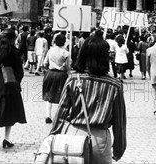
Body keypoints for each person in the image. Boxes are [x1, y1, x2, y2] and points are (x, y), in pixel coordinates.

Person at [50, 31, 127, 163]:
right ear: (105, 57)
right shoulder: (115, 85)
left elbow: (60, 113)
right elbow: (119, 122)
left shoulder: (73, 79)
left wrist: (51, 138)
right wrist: (119, 148)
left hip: (73, 136)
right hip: (100, 140)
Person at [0, 29, 27, 148]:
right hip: (10, 87)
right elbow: (20, 72)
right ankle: (6, 139)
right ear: (13, 39)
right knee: (10, 113)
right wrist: (16, 83)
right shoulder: (14, 53)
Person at [42, 33, 71, 124]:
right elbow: (68, 67)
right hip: (61, 74)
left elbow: (45, 63)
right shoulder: (66, 53)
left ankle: (48, 115)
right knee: (62, 95)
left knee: (48, 95)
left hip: (50, 73)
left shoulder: (51, 50)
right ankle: (60, 115)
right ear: (64, 42)